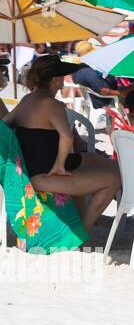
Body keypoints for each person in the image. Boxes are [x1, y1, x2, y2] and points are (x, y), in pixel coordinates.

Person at [3, 54, 122, 231]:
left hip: (31, 170)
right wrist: (59, 166)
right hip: (43, 177)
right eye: (62, 78)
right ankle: (84, 231)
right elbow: (67, 138)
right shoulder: (53, 105)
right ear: (56, 80)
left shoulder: (27, 100)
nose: (64, 83)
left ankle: (80, 220)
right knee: (113, 180)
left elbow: (4, 125)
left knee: (92, 159)